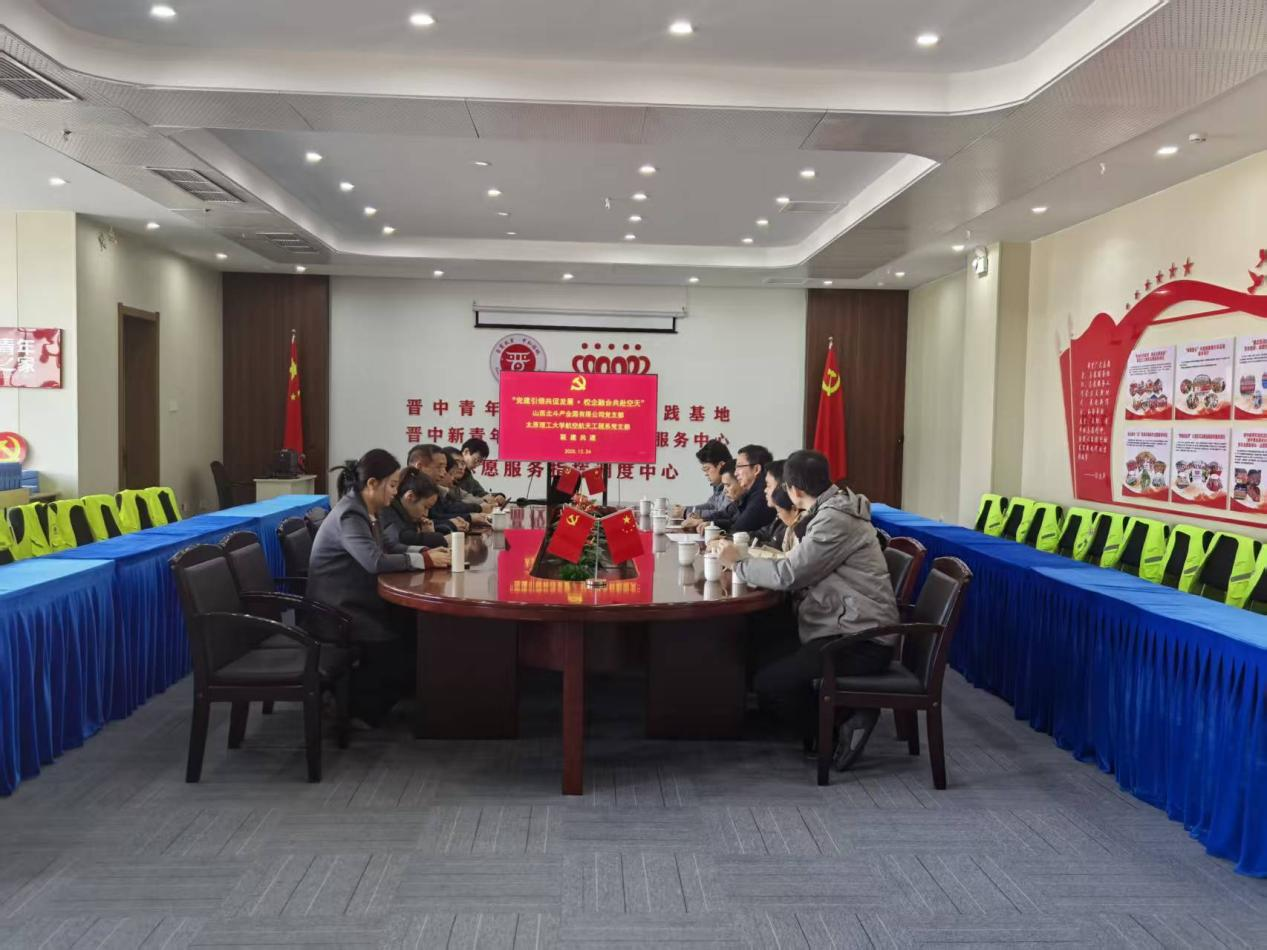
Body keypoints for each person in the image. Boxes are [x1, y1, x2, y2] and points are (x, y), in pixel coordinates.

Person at [717, 449, 898, 771]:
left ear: (794, 490)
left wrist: (738, 564)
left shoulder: (835, 520)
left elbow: (790, 574)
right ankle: (806, 715)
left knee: (772, 683)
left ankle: (838, 726)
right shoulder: (828, 510)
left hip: (860, 638)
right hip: (838, 622)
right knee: (760, 637)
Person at [308, 450, 441, 727]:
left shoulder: (369, 510)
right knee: (397, 643)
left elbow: (389, 546)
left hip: (359, 599)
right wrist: (425, 561)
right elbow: (374, 561)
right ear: (372, 483)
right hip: (338, 610)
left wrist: (425, 552)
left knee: (412, 629)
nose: (395, 491)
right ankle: (353, 709)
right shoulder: (350, 514)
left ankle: (375, 701)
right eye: (391, 485)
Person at [686, 443, 775, 535]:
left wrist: (714, 527)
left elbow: (738, 530)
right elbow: (728, 515)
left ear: (756, 469)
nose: (735, 473)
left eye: (739, 467)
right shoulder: (750, 492)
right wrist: (705, 521)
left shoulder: (761, 496)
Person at [380, 468, 452, 556]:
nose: (426, 514)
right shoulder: (387, 510)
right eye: (425, 507)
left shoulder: (406, 514)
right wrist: (437, 538)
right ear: (410, 497)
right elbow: (402, 538)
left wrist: (427, 533)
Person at [674, 440, 735, 522]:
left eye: (707, 469)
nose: (706, 474)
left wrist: (686, 512)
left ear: (721, 465)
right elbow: (711, 505)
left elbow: (722, 513)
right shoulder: (718, 486)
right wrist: (685, 509)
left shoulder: (732, 485)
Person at [456, 437, 507, 505]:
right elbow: (458, 500)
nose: (477, 464)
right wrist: (481, 501)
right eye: (477, 460)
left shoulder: (468, 476)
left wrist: (497, 496)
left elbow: (481, 493)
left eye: (480, 462)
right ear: (466, 452)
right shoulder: (452, 471)